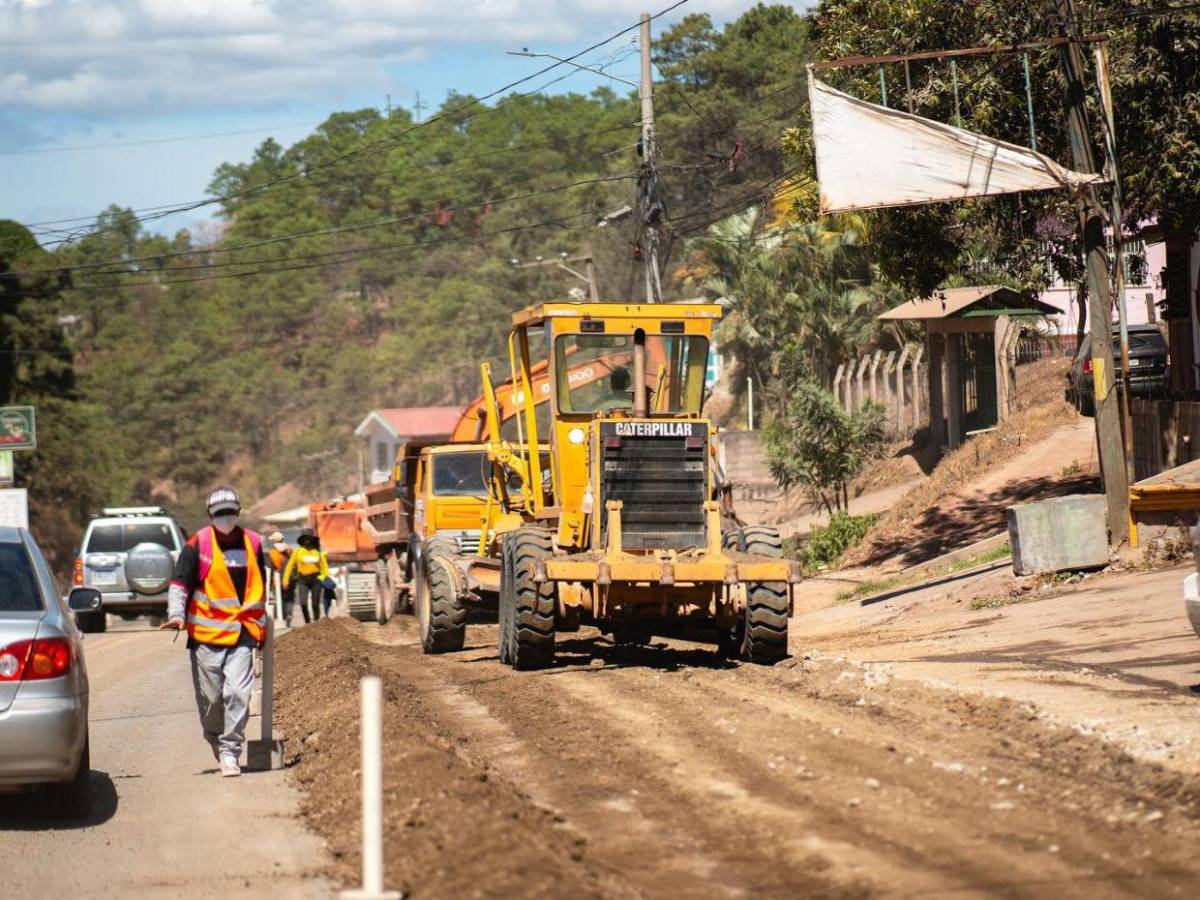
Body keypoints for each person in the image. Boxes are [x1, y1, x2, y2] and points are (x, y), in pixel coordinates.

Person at [161, 486, 267, 778]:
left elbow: (260, 586)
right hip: (207, 637)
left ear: (238, 512)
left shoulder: (253, 543)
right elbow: (180, 583)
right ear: (211, 515)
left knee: (238, 693)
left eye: (231, 512)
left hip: (243, 631)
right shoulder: (198, 545)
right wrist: (176, 614)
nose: (226, 518)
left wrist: (261, 627)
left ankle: (230, 750)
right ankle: (215, 740)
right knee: (212, 701)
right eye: (220, 513)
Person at [283, 528, 330, 622]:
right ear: (302, 540)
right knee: (303, 603)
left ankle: (317, 622)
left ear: (312, 539)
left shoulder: (318, 551)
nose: (307, 541)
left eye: (309, 538)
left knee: (315, 603)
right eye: (305, 538)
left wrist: (326, 578)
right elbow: (289, 566)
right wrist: (285, 580)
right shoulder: (298, 551)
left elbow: (324, 567)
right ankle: (307, 622)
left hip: (316, 579)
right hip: (303, 580)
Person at [266, 531, 298, 625]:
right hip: (289, 578)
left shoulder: (272, 552)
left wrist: (268, 583)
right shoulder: (290, 550)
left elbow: (270, 568)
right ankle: (288, 614)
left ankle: (281, 617)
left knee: (279, 598)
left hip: (277, 579)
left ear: (274, 540)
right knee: (289, 598)